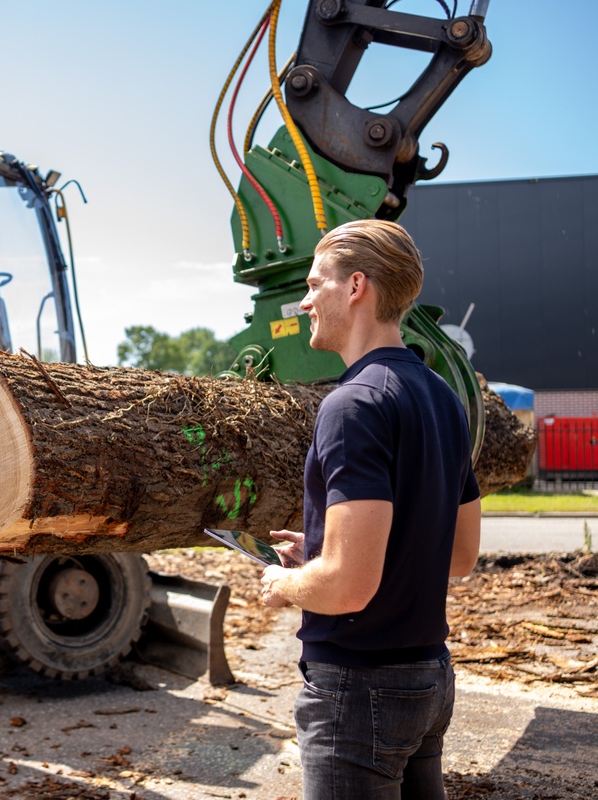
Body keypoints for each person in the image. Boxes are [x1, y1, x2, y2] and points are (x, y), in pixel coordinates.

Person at [260, 219, 481, 799]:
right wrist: (319, 554)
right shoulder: (443, 399)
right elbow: (457, 556)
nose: (304, 301)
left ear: (356, 286)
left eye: (314, 284)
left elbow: (347, 589)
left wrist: (284, 581)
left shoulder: (352, 404)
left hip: (360, 693)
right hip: (428, 680)